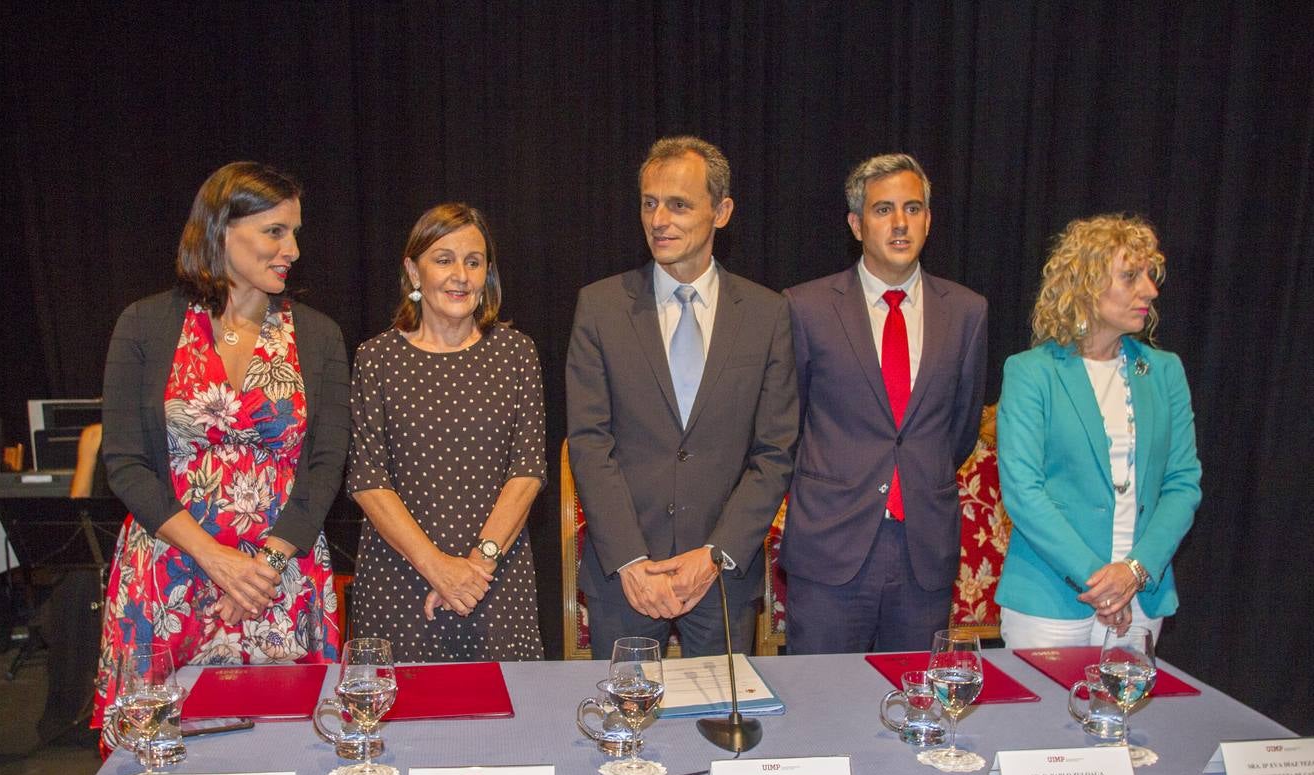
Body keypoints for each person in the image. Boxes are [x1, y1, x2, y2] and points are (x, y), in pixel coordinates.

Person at [93, 162, 350, 742]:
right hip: (170, 569)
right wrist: (216, 559)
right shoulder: (145, 323)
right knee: (156, 762)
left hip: (277, 579)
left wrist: (264, 568)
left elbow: (325, 466)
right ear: (220, 230)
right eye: (276, 231)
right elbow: (126, 462)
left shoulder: (317, 333)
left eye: (295, 232)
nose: (293, 249)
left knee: (282, 755)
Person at [566, 136, 797, 658]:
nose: (659, 219)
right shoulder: (600, 307)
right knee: (622, 731)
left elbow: (775, 452)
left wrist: (715, 554)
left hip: (721, 579)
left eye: (678, 204)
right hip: (625, 578)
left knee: (717, 730)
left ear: (722, 211)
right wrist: (629, 560)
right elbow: (588, 443)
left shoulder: (766, 314)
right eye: (649, 203)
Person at [780, 153, 988, 653]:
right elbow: (786, 427)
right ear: (855, 224)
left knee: (915, 709)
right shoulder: (804, 308)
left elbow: (958, 432)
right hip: (831, 547)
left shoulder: (966, 312)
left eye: (913, 208)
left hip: (923, 552)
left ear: (929, 220)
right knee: (822, 712)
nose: (900, 223)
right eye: (883, 210)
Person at [347, 203, 546, 662]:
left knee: (509, 729)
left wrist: (476, 567)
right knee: (397, 727)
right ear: (413, 272)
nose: (460, 275)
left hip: (495, 582)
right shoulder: (375, 359)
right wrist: (438, 569)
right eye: (444, 259)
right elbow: (368, 480)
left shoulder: (517, 354)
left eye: (473, 262)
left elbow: (528, 471)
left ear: (487, 275)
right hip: (400, 582)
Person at [996, 214, 1201, 647]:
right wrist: (1102, 582)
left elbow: (1182, 484)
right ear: (1085, 285)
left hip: (1141, 599)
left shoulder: (1165, 372)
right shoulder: (1031, 372)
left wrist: (1134, 572)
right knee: (1045, 716)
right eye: (1130, 276)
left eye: (1149, 275)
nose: (1150, 290)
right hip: (1049, 598)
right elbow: (1023, 492)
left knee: (1122, 716)